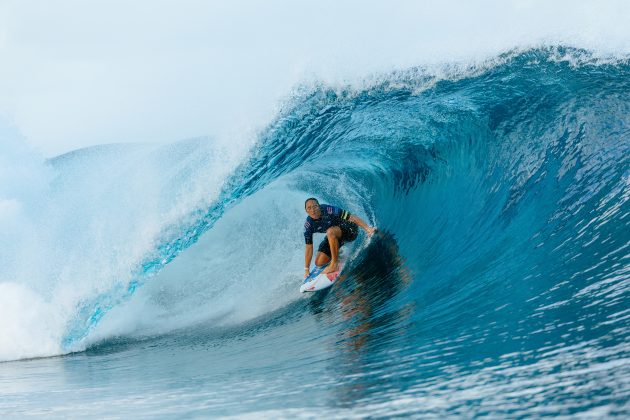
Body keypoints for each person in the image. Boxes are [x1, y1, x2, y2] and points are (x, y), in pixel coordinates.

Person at [303, 197, 376, 278]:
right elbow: (309, 247)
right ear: (306, 211)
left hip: (350, 230)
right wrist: (306, 269)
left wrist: (368, 229)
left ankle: (334, 264)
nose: (313, 210)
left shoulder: (328, 210)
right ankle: (337, 247)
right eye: (309, 208)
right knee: (319, 262)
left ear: (319, 206)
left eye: (315, 206)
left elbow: (351, 217)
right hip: (335, 235)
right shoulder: (308, 226)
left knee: (330, 231)